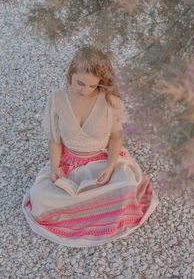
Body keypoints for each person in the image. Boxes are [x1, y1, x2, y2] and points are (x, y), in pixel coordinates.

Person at [22, 46, 160, 247]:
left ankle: (83, 208)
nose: (84, 90)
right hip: (68, 163)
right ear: (71, 73)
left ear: (101, 84)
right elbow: (54, 139)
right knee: (39, 196)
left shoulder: (110, 101)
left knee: (127, 185)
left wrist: (111, 167)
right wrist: (55, 167)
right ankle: (92, 207)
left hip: (101, 160)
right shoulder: (58, 99)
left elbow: (115, 138)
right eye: (80, 83)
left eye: (92, 86)